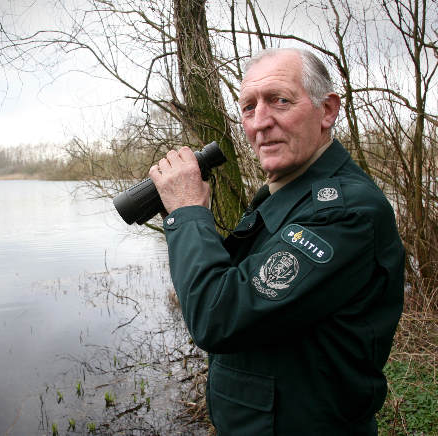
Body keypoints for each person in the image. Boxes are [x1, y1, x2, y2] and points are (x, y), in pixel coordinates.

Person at [148, 48, 404, 435]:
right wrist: (191, 219)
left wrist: (187, 215)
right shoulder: (288, 193)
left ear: (328, 110)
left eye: (279, 100)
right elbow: (237, 284)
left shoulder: (345, 212)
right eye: (248, 107)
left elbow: (217, 316)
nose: (260, 122)